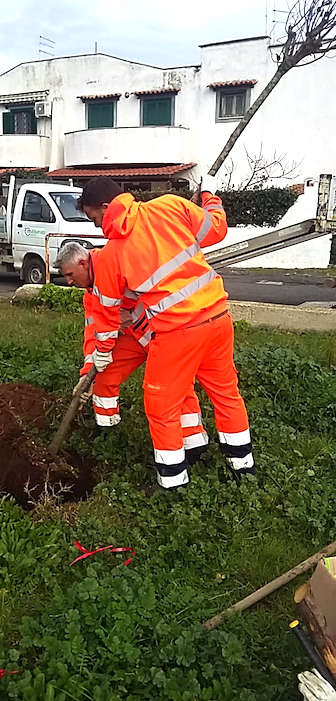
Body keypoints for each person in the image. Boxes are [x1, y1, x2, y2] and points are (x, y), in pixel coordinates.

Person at [77, 177, 256, 490]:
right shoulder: (170, 206)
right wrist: (209, 194)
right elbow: (216, 229)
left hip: (178, 331)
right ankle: (243, 467)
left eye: (94, 218)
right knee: (226, 392)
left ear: (107, 207)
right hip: (217, 317)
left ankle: (173, 481)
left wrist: (102, 354)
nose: (96, 226)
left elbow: (105, 317)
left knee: (161, 404)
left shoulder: (112, 253)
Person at [53, 242, 210, 465]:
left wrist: (128, 313)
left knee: (174, 386)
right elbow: (92, 334)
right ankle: (107, 430)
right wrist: (87, 374)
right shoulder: (90, 295)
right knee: (103, 375)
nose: (69, 281)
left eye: (70, 274)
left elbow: (155, 288)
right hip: (131, 338)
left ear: (83, 263)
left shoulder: (115, 262)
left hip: (161, 333)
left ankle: (194, 443)